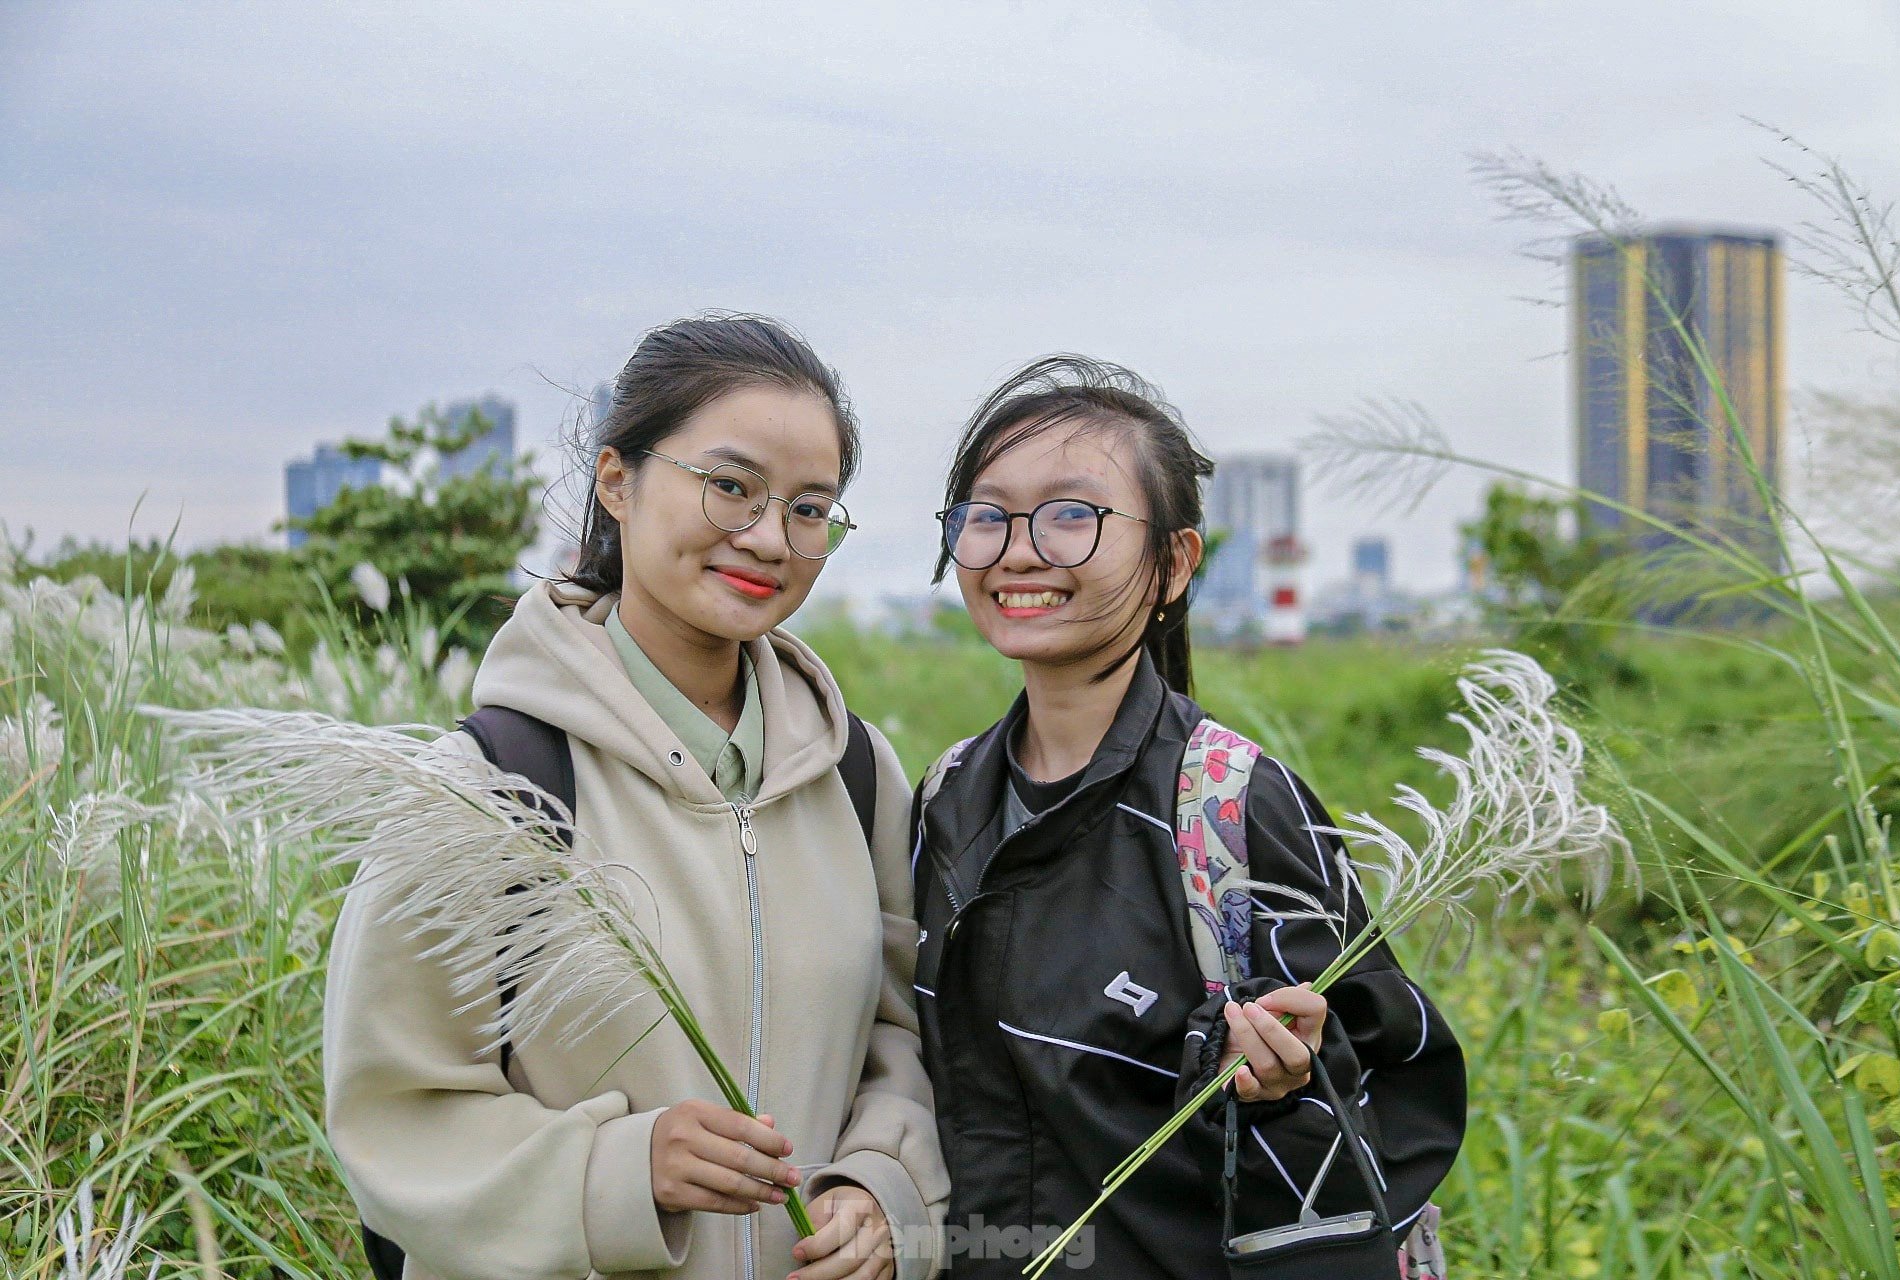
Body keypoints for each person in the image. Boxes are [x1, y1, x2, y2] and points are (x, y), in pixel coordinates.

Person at [324, 315, 947, 1280]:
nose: (769, 538)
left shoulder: (856, 774)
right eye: (731, 486)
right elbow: (394, 1120)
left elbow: (898, 1044)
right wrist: (620, 1171)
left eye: (810, 508)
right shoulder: (491, 792)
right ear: (618, 481)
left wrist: (879, 1192)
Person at [909, 355, 1467, 1277]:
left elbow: (1389, 1089)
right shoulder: (947, 796)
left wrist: (1288, 1087)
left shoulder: (1232, 807)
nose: (1017, 549)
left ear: (1172, 563)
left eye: (1070, 516)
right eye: (987, 514)